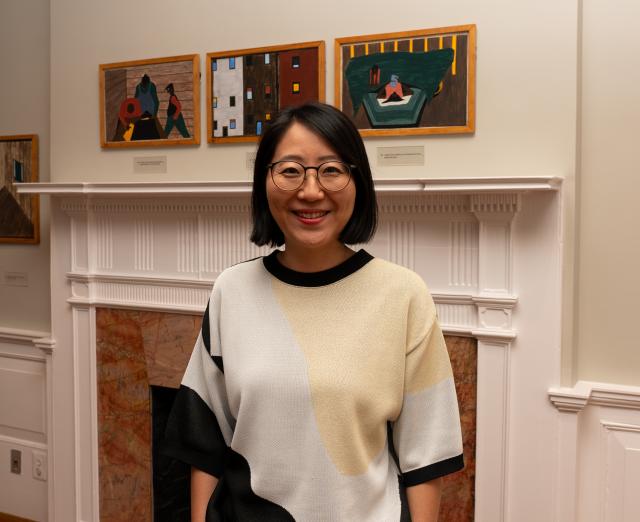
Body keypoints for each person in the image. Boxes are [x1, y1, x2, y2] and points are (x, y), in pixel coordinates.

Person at [163, 102, 464, 521]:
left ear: (357, 181)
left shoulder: (403, 295)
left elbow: (427, 456)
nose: (310, 191)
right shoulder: (231, 291)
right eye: (290, 170)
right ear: (263, 181)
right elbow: (205, 441)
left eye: (331, 169)